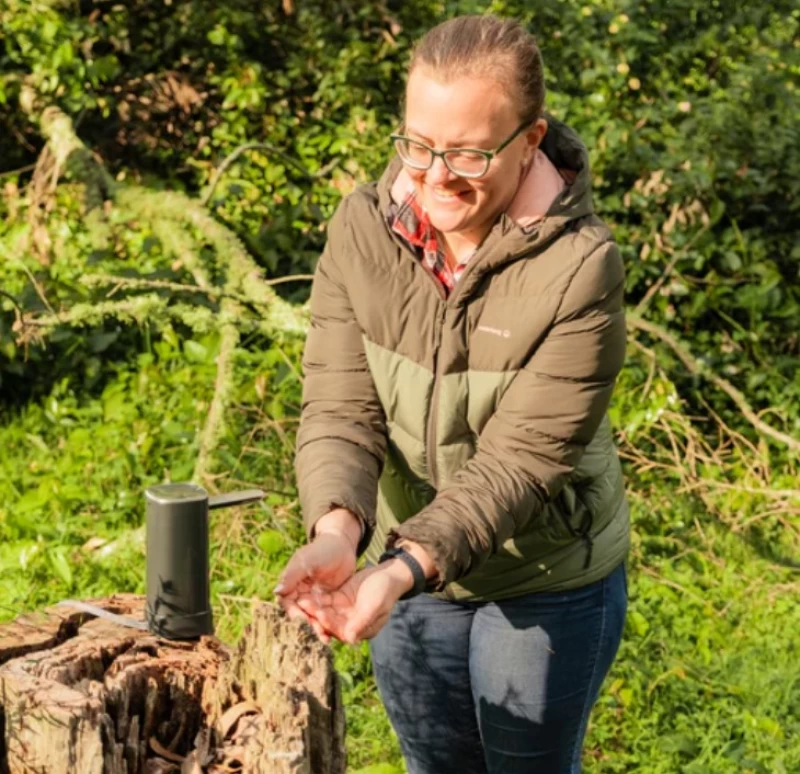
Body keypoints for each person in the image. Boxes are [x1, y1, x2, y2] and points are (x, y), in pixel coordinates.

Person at [275, 14, 629, 774]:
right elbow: (341, 405)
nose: (436, 175)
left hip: (540, 575)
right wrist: (338, 532)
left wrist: (402, 568)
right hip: (408, 568)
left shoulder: (581, 266)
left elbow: (523, 462)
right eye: (418, 145)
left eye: (469, 151)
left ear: (530, 140)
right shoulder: (362, 231)